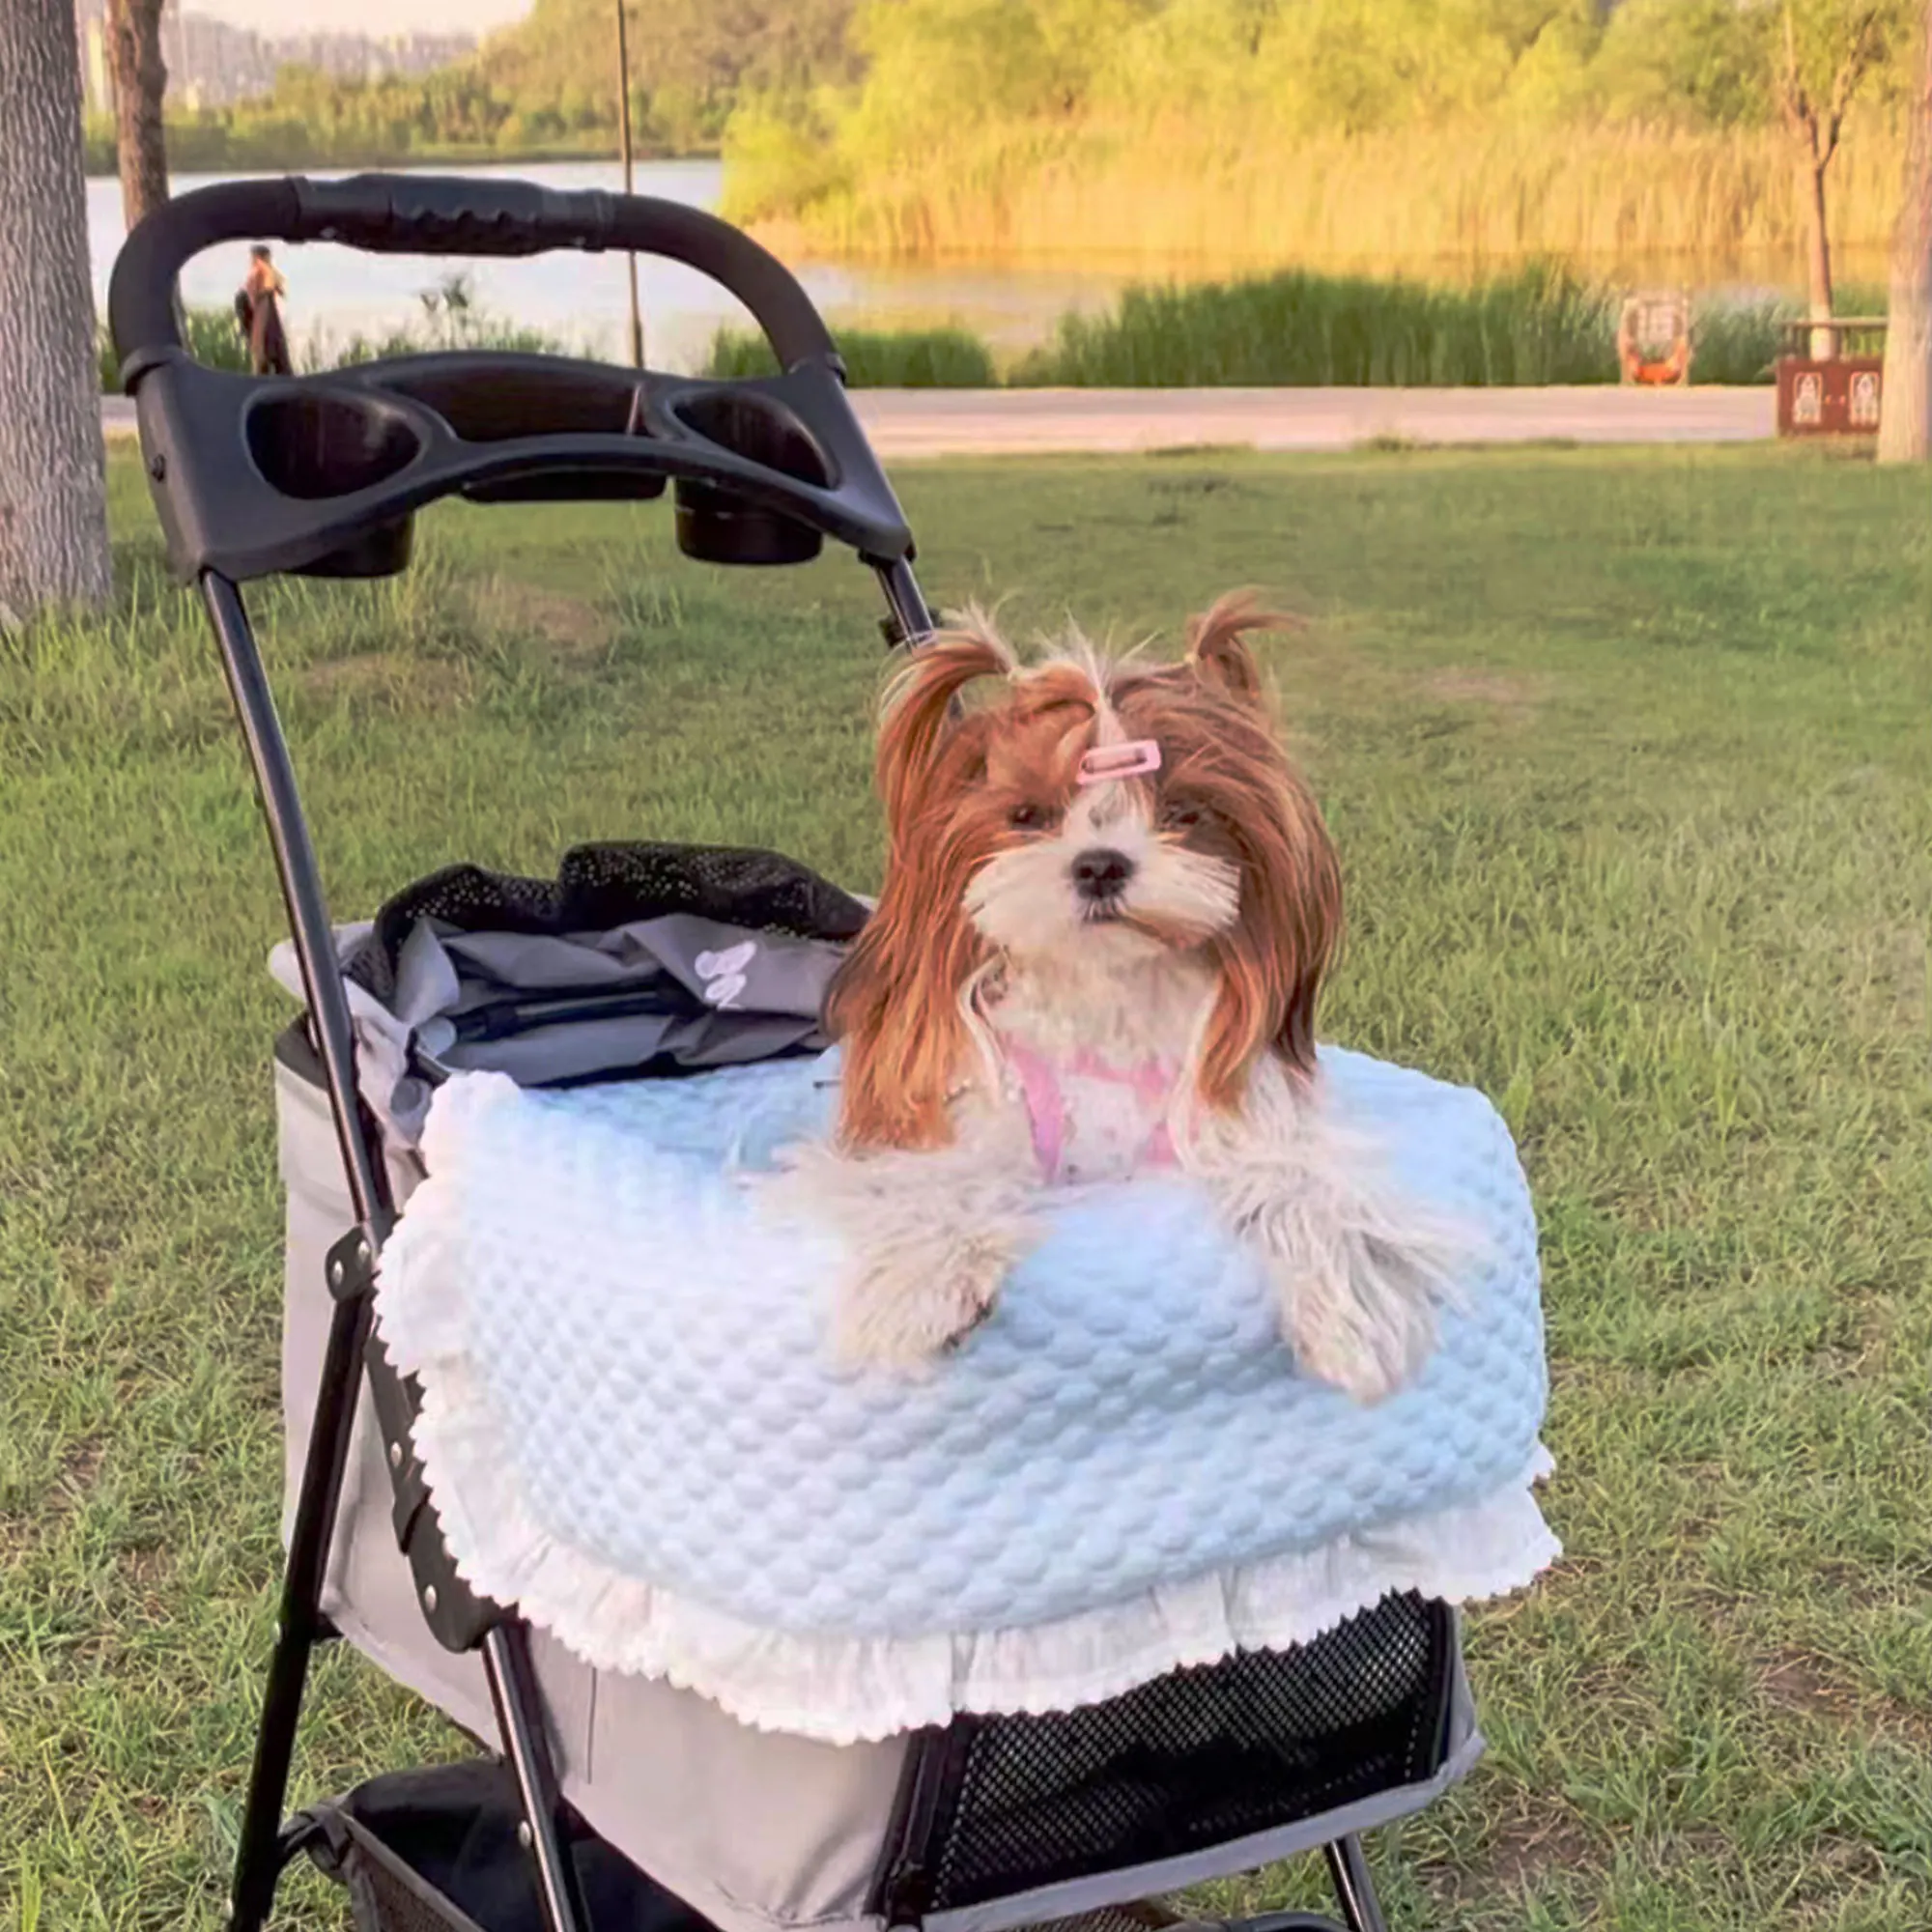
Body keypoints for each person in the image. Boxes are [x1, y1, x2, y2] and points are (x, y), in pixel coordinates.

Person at [236, 243, 292, 377]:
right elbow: (275, 287)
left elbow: (272, 288)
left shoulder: (261, 271)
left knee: (268, 363)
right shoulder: (262, 271)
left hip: (265, 323)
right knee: (274, 363)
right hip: (266, 324)